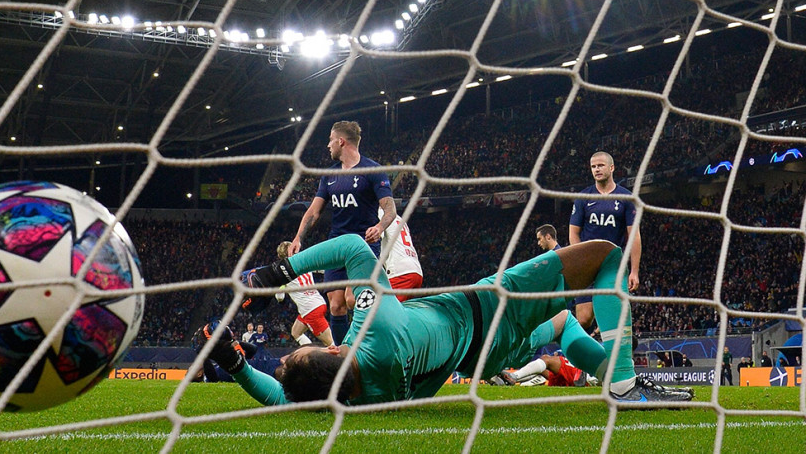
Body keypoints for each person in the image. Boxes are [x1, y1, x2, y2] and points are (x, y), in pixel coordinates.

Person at [198, 234, 692, 406]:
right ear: (329, 349)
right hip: (488, 307)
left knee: (564, 325)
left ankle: (611, 377)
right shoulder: (377, 332)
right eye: (293, 354)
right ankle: (624, 383)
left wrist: (238, 366)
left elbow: (285, 395)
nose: (287, 355)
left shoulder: (356, 397)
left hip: (484, 357)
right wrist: (277, 274)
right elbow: (351, 247)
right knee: (607, 256)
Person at [290, 121, 397, 344]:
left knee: (352, 299)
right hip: (336, 244)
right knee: (336, 305)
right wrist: (299, 237)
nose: (328, 145)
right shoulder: (328, 175)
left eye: (330, 140)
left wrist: (379, 227)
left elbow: (390, 208)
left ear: (341, 141)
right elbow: (314, 211)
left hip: (363, 244)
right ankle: (341, 355)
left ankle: (366, 347)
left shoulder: (373, 171)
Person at [569, 151, 640, 331]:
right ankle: (575, 353)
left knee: (611, 317)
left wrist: (634, 271)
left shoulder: (627, 198)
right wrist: (580, 259)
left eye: (600, 165)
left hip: (612, 265)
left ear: (612, 167)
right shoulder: (583, 197)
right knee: (584, 319)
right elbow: (573, 233)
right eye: (593, 166)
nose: (596, 169)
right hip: (587, 264)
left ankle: (612, 354)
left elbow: (634, 235)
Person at [275, 241, 334, 347]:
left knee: (331, 343)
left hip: (310, 310)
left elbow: (280, 297)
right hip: (318, 303)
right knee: (296, 332)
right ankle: (309, 353)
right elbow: (323, 270)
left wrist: (281, 290)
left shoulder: (283, 272)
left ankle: (345, 360)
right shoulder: (304, 262)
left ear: (280, 256)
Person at [380, 215, 423, 302]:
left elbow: (373, 239)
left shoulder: (379, 214)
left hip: (400, 272)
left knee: (384, 311)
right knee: (402, 311)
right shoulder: (398, 218)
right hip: (416, 270)